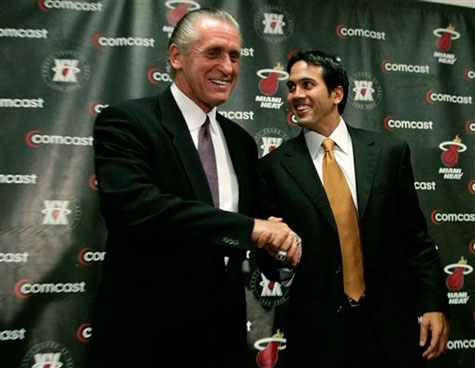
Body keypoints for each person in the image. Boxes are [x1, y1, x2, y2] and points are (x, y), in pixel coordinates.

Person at [87, 8, 300, 368]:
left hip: (222, 342)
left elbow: (254, 228)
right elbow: (138, 208)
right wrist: (252, 228)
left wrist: (280, 248)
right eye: (213, 53)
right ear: (176, 57)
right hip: (144, 340)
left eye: (235, 56)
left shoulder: (241, 142)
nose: (228, 68)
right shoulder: (127, 122)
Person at [255, 50, 449, 368]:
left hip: (390, 332)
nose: (296, 95)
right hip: (317, 339)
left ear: (337, 93)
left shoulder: (389, 154)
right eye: (291, 87)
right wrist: (279, 254)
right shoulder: (272, 169)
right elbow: (270, 264)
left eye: (307, 84)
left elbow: (417, 241)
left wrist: (433, 304)